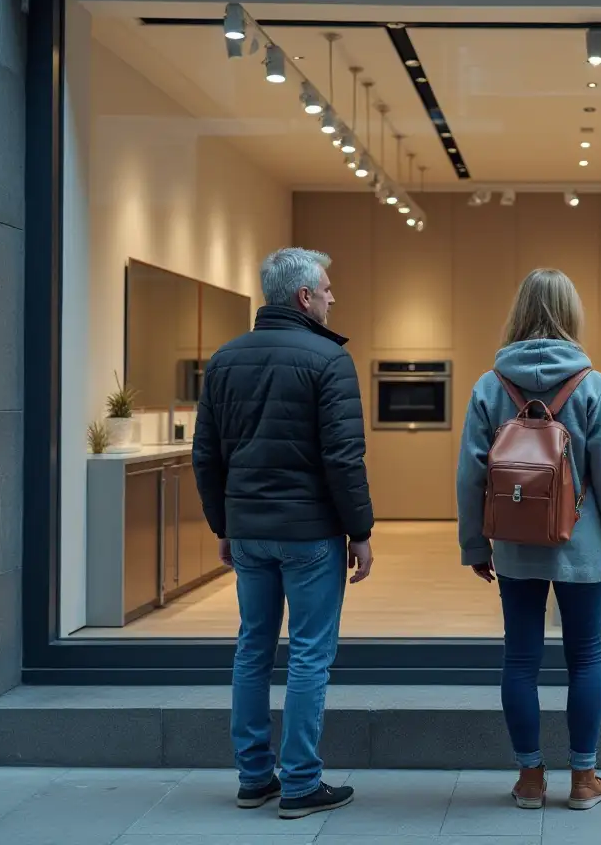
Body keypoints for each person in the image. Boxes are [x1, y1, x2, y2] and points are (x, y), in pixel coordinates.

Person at [192, 247, 374, 820]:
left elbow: (206, 455)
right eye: (327, 289)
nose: (332, 297)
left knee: (253, 649)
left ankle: (254, 777)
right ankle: (299, 783)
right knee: (309, 655)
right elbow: (343, 458)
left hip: (249, 531)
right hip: (310, 534)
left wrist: (224, 525)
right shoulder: (329, 359)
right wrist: (360, 531)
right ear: (304, 296)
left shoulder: (224, 360)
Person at [456, 268, 601, 811]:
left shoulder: (490, 385)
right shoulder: (592, 385)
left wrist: (474, 544)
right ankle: (583, 780)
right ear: (571, 312)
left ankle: (530, 778)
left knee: (519, 661)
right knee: (586, 659)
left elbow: (470, 475)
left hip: (514, 544)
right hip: (579, 545)